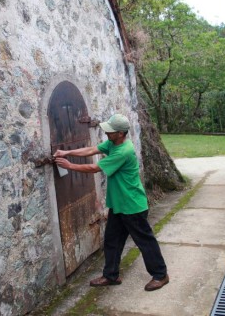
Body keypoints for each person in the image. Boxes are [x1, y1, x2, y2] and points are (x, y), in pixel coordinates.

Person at [54, 113, 169, 291]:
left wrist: (69, 165)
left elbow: (94, 168)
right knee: (112, 241)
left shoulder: (123, 151)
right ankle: (111, 275)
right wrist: (67, 152)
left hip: (132, 206)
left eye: (110, 131)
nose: (106, 132)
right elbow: (92, 150)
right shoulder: (113, 143)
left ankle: (161, 275)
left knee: (145, 242)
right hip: (118, 205)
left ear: (121, 133)